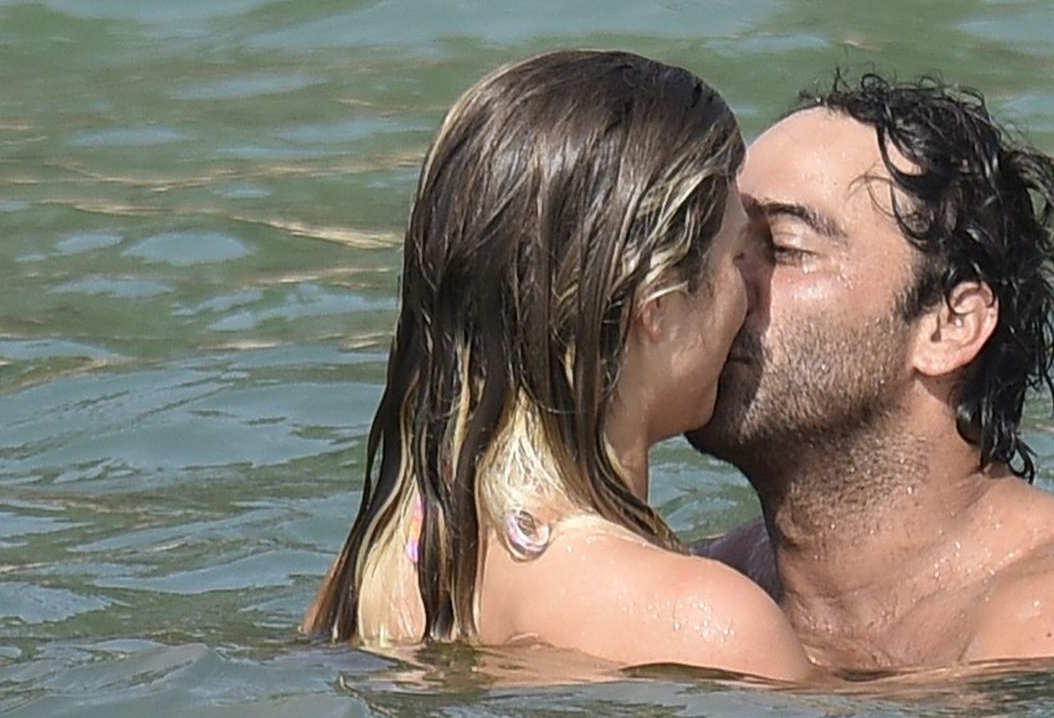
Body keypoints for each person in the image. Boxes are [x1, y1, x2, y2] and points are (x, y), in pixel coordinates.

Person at [690, 73, 1054, 672]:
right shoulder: (705, 585)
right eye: (722, 247)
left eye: (783, 247)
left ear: (950, 325)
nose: (717, 285)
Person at [302, 50, 812, 682]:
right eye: (739, 255)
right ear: (655, 304)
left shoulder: (371, 575)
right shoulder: (706, 627)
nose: (757, 289)